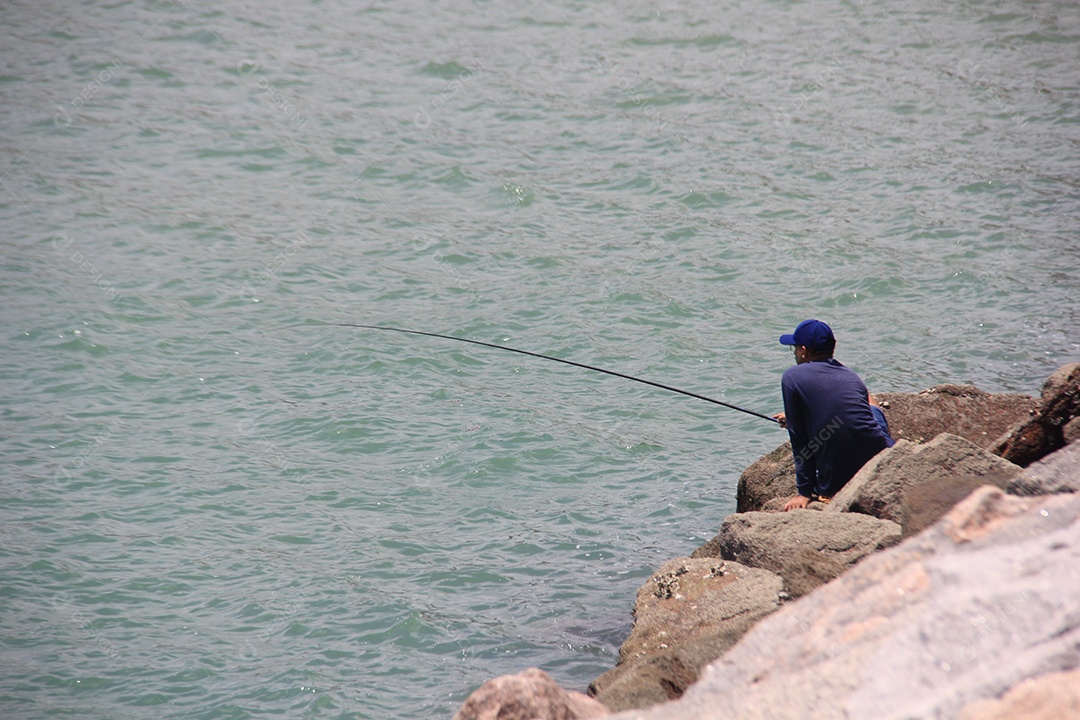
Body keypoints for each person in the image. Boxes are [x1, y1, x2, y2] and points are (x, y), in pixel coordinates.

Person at [771, 319, 894, 511]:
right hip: (883, 455)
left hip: (837, 481)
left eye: (794, 348)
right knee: (870, 402)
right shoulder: (851, 376)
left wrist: (804, 492)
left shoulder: (791, 377)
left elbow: (800, 440)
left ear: (804, 350)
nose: (794, 353)